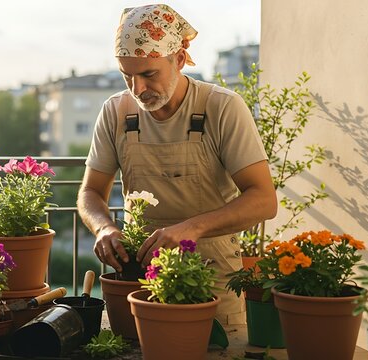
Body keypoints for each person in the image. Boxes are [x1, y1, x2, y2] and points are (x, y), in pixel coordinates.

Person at [77, 3, 277, 324]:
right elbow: (90, 193)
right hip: (141, 282)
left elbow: (264, 201)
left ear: (179, 60)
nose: (137, 89)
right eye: (127, 76)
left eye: (148, 74)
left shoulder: (222, 107)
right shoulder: (115, 111)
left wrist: (191, 229)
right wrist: (104, 228)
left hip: (213, 285)